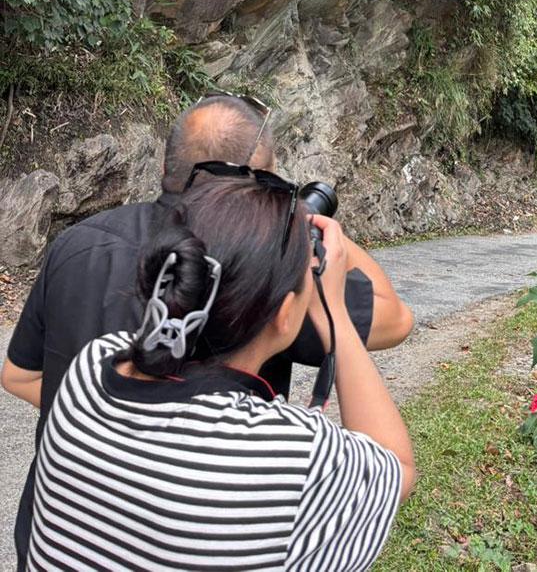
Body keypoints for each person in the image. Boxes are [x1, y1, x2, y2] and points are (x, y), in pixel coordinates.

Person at [2, 94, 414, 567]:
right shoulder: (284, 461)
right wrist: (309, 252)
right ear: (279, 314)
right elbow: (396, 332)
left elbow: (19, 375)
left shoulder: (89, 373)